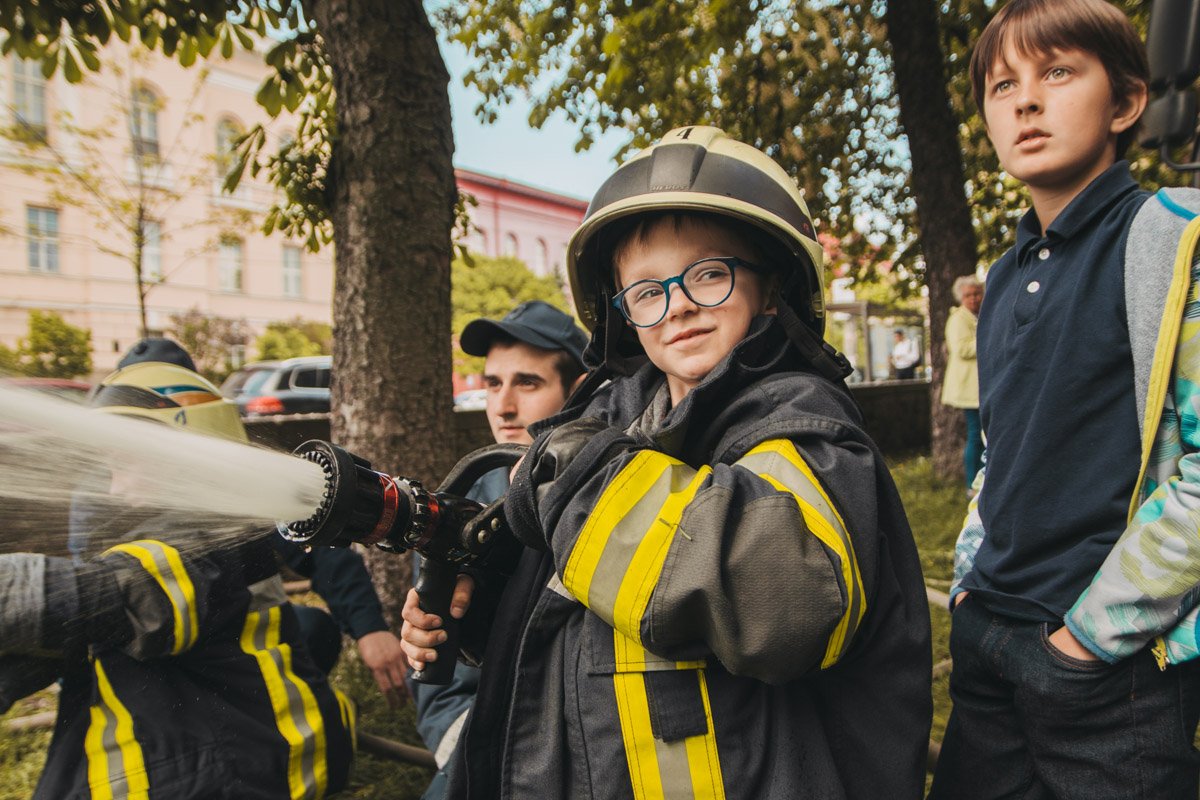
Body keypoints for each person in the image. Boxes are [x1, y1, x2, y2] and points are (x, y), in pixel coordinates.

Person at [401, 126, 932, 798]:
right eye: (647, 291)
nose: (677, 304)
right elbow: (599, 615)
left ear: (772, 289)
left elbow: (786, 606)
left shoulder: (803, 428)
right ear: (622, 314)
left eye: (708, 274)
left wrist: (576, 477)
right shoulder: (615, 427)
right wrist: (485, 607)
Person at [930, 2, 1200, 797]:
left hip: (1109, 675)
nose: (1025, 100)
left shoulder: (1173, 240)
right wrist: (970, 586)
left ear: (1124, 102)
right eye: (1001, 84)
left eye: (1057, 72)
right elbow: (1007, 452)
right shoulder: (1005, 274)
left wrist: (1089, 637)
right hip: (988, 641)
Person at [0, 361, 354, 798]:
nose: (113, 490)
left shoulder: (211, 539)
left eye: (125, 464)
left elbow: (128, 596)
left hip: (236, 770)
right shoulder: (177, 532)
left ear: (187, 454)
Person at [71, 337, 410, 702]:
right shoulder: (100, 499)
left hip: (235, 646)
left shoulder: (234, 482)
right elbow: (88, 604)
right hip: (151, 659)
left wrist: (369, 628)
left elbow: (322, 548)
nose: (116, 486)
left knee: (313, 629)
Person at [410, 300, 588, 799]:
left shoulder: (611, 500)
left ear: (577, 391)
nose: (503, 406)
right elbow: (439, 687)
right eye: (492, 383)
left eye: (527, 383)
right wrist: (472, 755)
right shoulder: (455, 512)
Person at [941, 276, 984, 491]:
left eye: (977, 293)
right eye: (968, 295)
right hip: (968, 388)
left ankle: (982, 479)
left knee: (983, 434)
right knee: (976, 434)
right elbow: (962, 349)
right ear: (961, 298)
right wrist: (988, 339)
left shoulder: (978, 316)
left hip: (979, 387)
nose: (974, 299)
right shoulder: (958, 319)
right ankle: (971, 484)